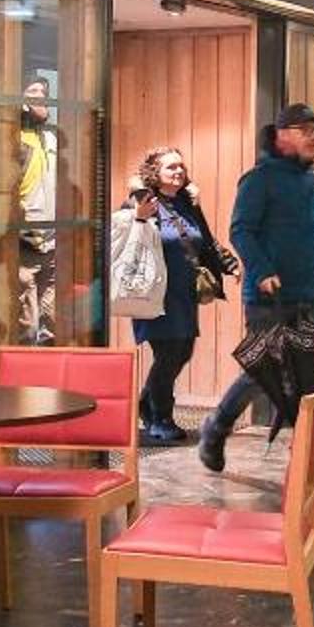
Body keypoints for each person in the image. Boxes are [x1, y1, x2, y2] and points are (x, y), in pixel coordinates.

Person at [197, 103, 314, 486]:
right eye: (305, 130)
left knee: (309, 379)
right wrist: (262, 270)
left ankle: (309, 459)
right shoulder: (258, 180)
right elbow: (241, 230)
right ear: (282, 136)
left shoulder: (310, 183)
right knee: (265, 372)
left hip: (306, 294)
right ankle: (217, 426)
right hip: (268, 298)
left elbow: (313, 236)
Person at [128, 147, 230, 445]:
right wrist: (138, 215)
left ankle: (147, 403)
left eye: (181, 166)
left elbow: (205, 239)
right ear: (154, 173)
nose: (178, 171)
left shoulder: (187, 202)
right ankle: (161, 417)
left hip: (184, 293)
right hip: (156, 292)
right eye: (171, 167)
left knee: (183, 351)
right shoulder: (143, 201)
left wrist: (227, 263)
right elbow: (127, 236)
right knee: (168, 354)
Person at [11, 72, 61, 344]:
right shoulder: (15, 137)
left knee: (50, 320)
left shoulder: (51, 138)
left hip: (52, 236)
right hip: (26, 236)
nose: (40, 98)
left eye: (44, 94)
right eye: (33, 93)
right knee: (27, 324)